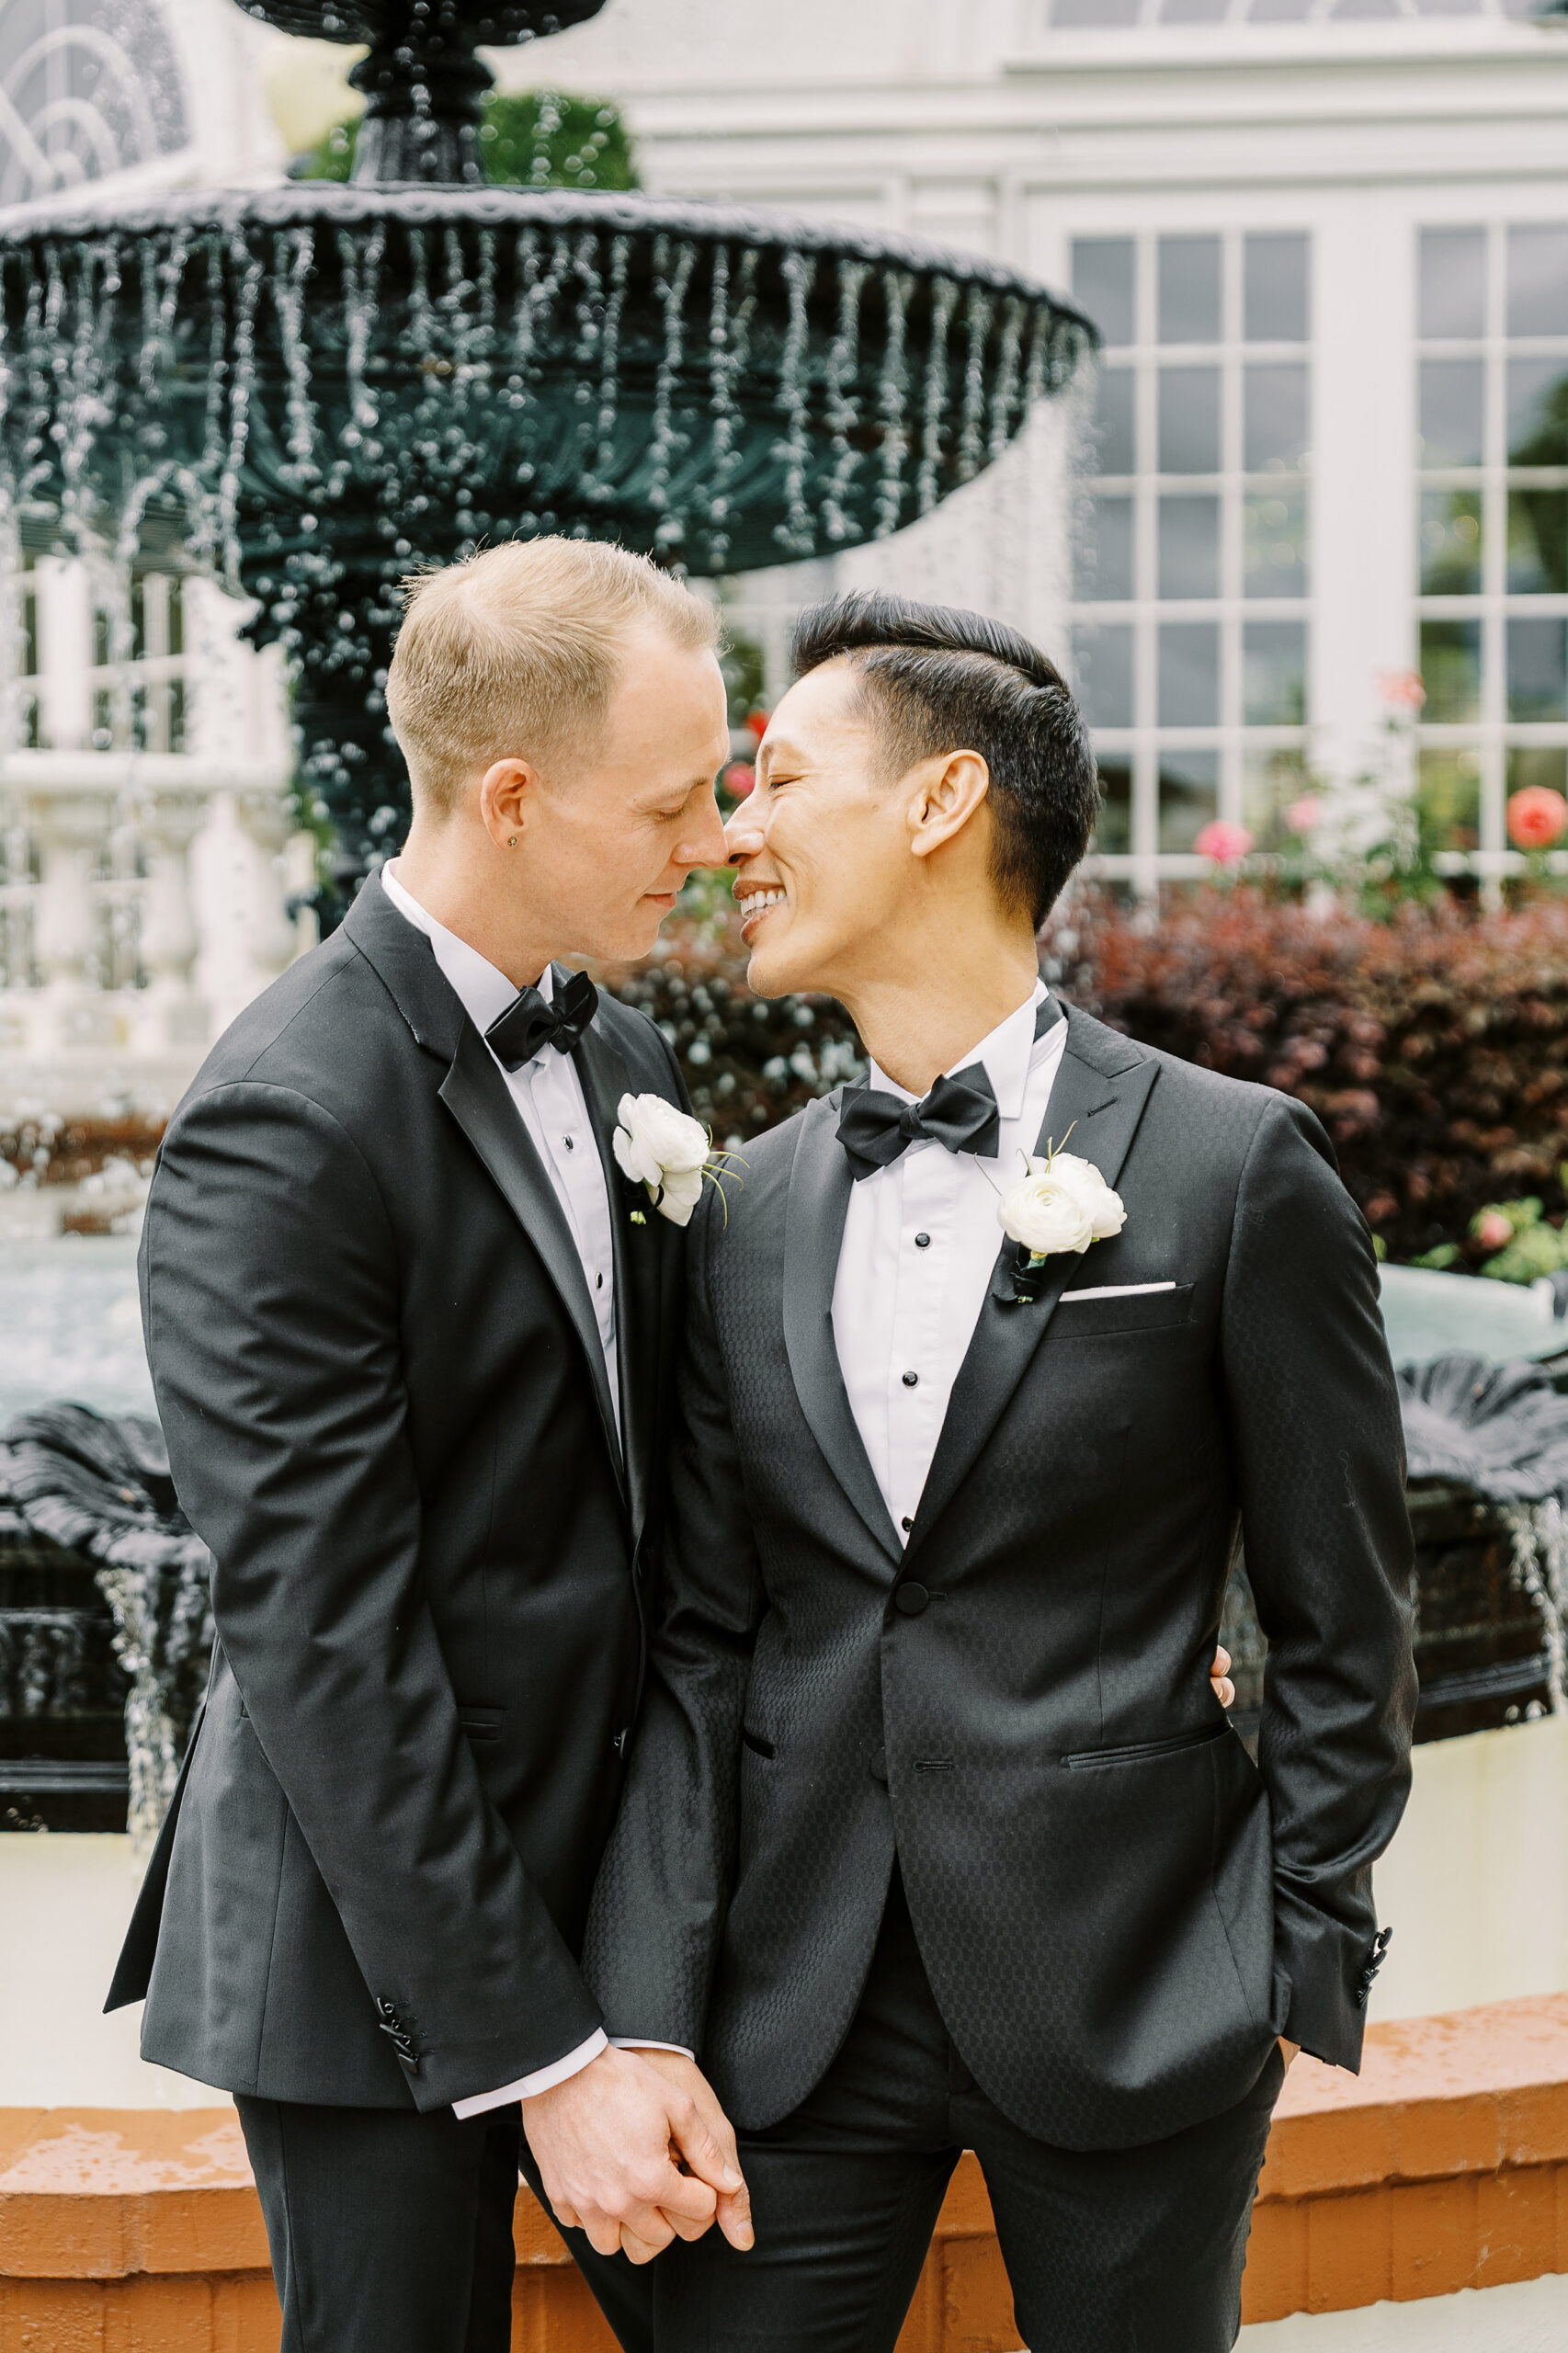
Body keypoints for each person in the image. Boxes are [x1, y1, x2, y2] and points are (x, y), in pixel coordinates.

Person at [581, 590, 1418, 2353]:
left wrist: (1283, 1957)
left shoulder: (1229, 1168)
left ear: (940, 804)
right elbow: (703, 1641)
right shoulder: (736, 1211)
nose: (735, 831)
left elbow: (1346, 1617)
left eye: (780, 780)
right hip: (788, 2013)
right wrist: (649, 2011)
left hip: (1132, 1996)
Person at [104, 538, 755, 2353]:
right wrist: (538, 2046)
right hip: (367, 1945)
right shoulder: (284, 1112)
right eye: (673, 795)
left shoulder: (617, 1054)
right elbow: (326, 1631)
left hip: (624, 1906)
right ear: (514, 793)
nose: (708, 837)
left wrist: (645, 1967)